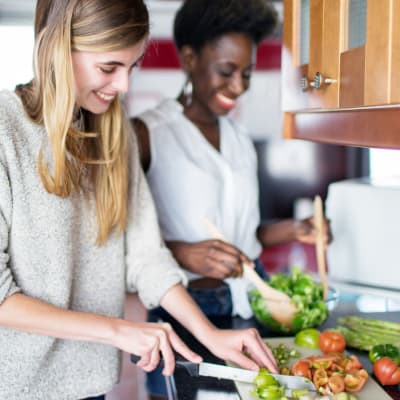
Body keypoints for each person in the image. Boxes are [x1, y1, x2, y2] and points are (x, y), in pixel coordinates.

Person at [0, 1, 279, 399]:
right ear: (59, 49)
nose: (124, 87)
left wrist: (211, 335)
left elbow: (146, 257)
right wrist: (119, 330)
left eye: (132, 67)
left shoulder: (115, 137)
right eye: (109, 67)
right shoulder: (5, 130)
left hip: (91, 383)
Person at [132, 1, 330, 397]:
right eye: (226, 71)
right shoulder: (147, 133)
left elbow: (243, 233)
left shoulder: (240, 139)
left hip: (249, 302)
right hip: (187, 308)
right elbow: (119, 240)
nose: (238, 86)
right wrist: (181, 251)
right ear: (189, 58)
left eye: (247, 73)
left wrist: (297, 229)